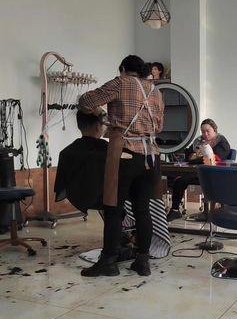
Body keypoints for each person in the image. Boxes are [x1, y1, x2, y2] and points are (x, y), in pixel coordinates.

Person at [78, 55, 164, 277]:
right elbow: (159, 127)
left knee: (113, 209)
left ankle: (108, 261)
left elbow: (85, 101)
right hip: (151, 157)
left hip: (125, 154)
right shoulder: (156, 91)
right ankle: (142, 261)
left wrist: (100, 113)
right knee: (142, 209)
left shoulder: (120, 83)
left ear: (124, 69)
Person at [54, 111, 171, 261]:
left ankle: (121, 240)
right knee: (144, 205)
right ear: (99, 126)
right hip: (107, 197)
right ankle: (141, 247)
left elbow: (63, 184)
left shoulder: (67, 151)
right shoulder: (110, 150)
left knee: (117, 202)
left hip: (81, 197)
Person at [167, 119, 231, 222]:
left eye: (208, 131)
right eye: (203, 131)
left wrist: (199, 156)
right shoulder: (198, 141)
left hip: (215, 175)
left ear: (214, 130)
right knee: (180, 180)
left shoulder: (221, 141)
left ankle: (214, 212)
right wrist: (197, 156)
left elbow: (217, 157)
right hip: (197, 173)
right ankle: (175, 210)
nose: (205, 134)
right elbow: (189, 156)